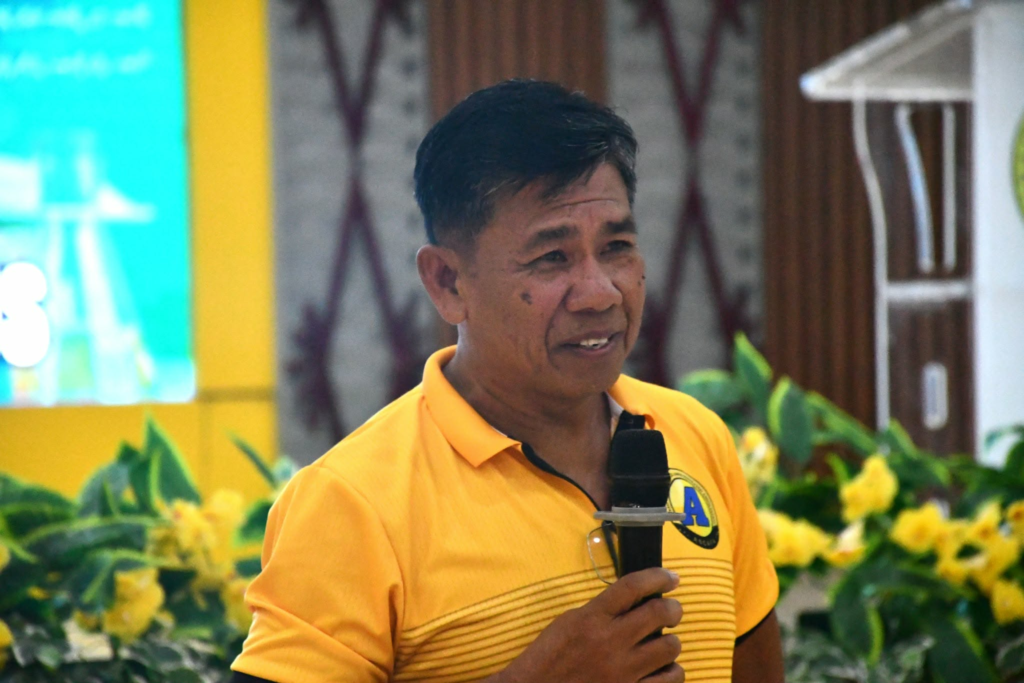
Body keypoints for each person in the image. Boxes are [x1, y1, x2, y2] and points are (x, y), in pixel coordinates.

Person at [230, 79, 783, 683]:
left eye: (617, 247)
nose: (601, 293)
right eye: (552, 258)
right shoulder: (351, 503)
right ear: (447, 282)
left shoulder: (695, 435)